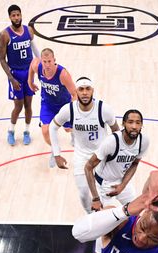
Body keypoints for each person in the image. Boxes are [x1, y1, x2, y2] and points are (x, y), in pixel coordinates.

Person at [83, 109, 149, 253]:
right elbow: (88, 167)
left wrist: (122, 186)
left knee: (139, 211)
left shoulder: (143, 141)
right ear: (124, 124)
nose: (134, 126)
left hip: (121, 184)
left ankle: (133, 247)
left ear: (141, 125)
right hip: (104, 185)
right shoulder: (111, 142)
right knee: (104, 225)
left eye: (138, 122)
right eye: (130, 122)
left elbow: (134, 164)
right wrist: (96, 198)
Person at [49, 77, 120, 211]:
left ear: (93, 91)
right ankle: (90, 217)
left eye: (88, 89)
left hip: (101, 157)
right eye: (81, 89)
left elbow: (117, 131)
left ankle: (107, 221)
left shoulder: (104, 109)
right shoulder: (69, 109)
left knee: (107, 194)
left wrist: (115, 153)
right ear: (76, 91)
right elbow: (53, 127)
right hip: (81, 156)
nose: (85, 92)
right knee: (83, 193)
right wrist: (57, 154)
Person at [0, 4, 40, 146]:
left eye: (18, 15)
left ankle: (27, 132)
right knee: (18, 105)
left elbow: (35, 51)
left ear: (21, 15)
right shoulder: (4, 35)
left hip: (29, 72)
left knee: (29, 104)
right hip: (15, 73)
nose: (16, 18)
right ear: (10, 17)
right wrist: (10, 78)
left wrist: (42, 67)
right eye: (13, 15)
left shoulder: (29, 30)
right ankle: (11, 131)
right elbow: (2, 59)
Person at [28, 48, 77, 167]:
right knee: (45, 131)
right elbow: (32, 64)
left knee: (67, 129)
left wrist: (72, 109)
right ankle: (55, 150)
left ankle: (72, 133)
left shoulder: (63, 74)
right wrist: (30, 81)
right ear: (42, 61)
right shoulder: (37, 65)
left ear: (54, 60)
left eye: (49, 61)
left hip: (63, 105)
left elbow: (75, 94)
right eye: (44, 61)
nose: (47, 64)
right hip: (48, 105)